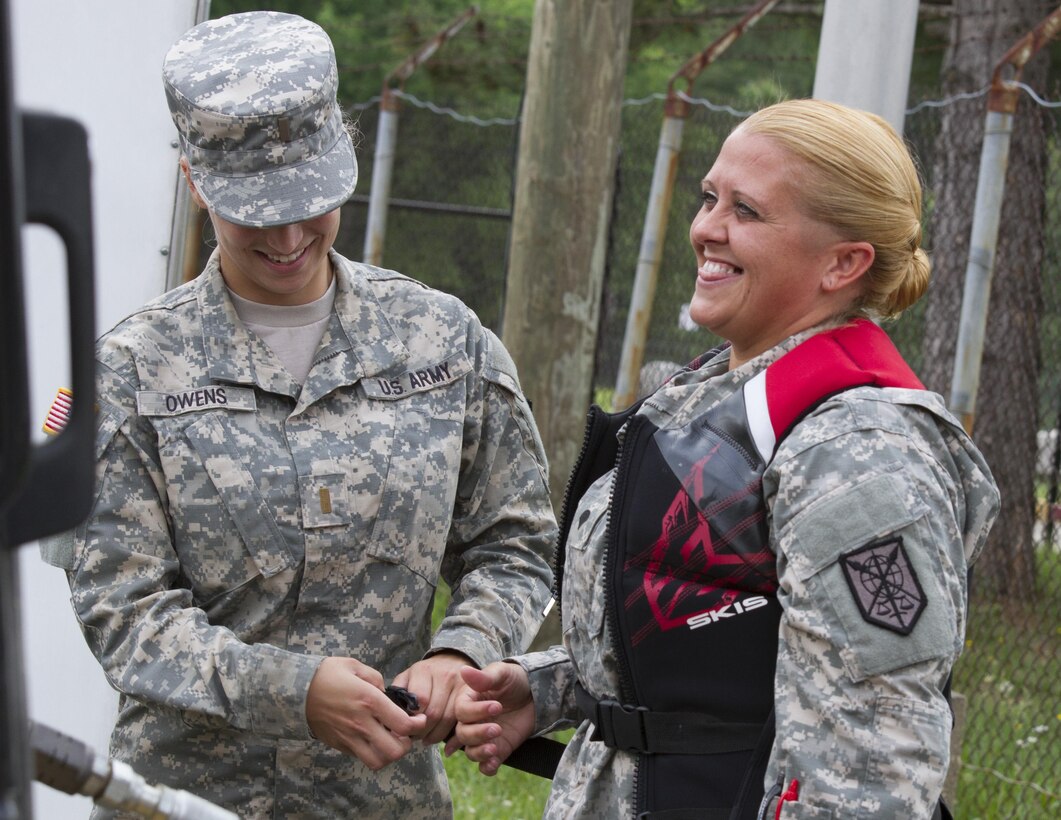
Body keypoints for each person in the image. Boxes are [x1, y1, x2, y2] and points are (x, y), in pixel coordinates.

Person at [39, 10, 555, 819]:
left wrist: (464, 648)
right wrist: (291, 692)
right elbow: (124, 610)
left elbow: (514, 542)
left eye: (308, 200)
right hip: (185, 803)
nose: (287, 235)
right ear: (194, 182)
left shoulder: (443, 342)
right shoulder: (128, 374)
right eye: (254, 207)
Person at [449, 99, 1001, 819]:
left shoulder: (857, 451)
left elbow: (870, 748)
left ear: (843, 262)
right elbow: (731, 638)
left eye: (746, 211)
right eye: (709, 198)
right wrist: (555, 687)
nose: (705, 228)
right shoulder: (721, 392)